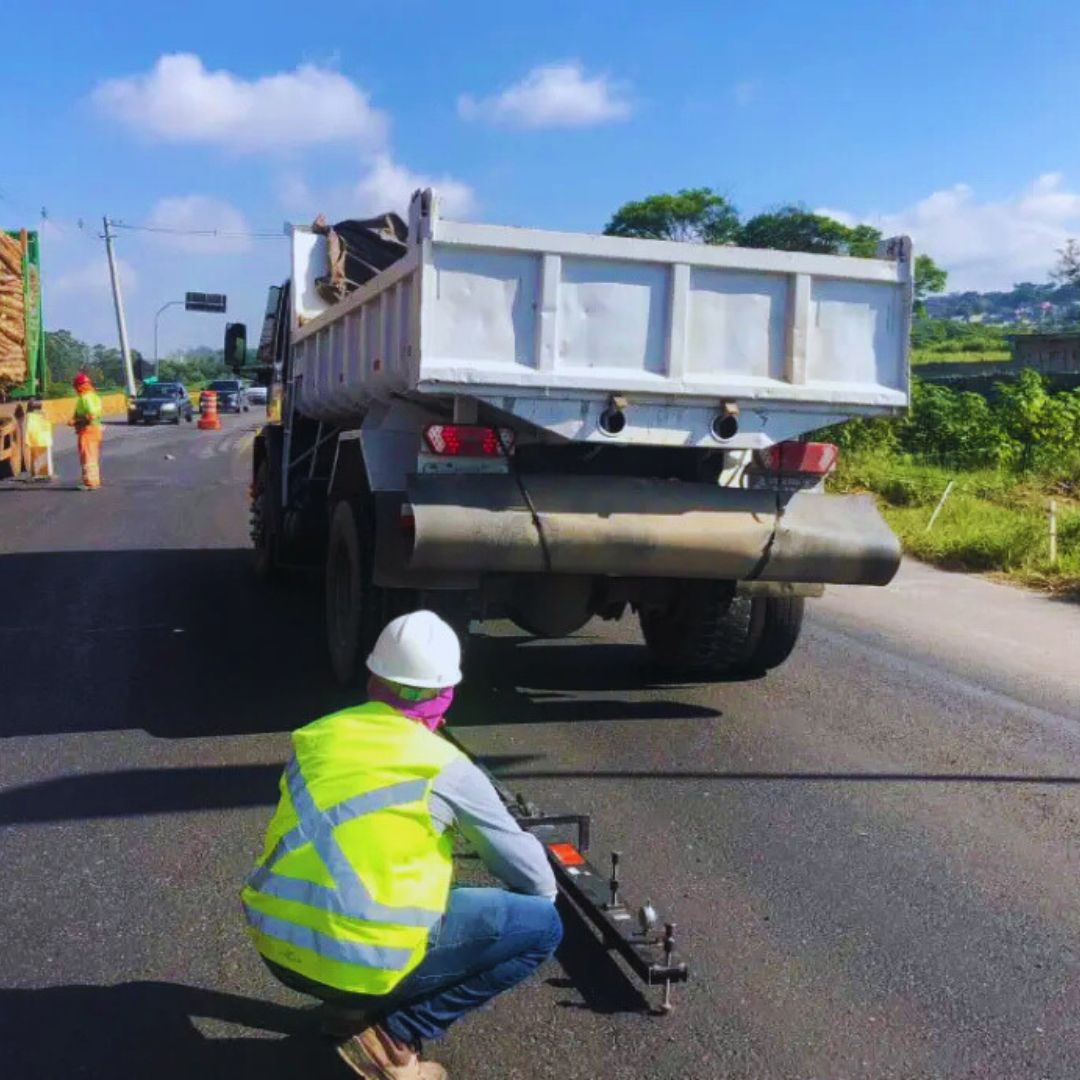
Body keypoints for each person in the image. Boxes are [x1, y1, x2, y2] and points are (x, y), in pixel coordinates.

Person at [241, 610, 561, 1080]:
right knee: (543, 927)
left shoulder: (315, 737)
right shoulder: (443, 764)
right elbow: (535, 881)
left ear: (374, 679)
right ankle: (395, 1037)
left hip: (276, 947)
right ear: (445, 694)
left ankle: (347, 1011)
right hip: (361, 959)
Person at [69, 373, 103, 489]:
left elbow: (91, 415)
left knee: (87, 456)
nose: (76, 389)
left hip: (87, 430)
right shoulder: (95, 396)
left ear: (81, 386)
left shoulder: (85, 398)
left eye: (77, 386)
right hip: (95, 429)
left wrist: (75, 421)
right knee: (93, 456)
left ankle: (90, 483)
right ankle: (94, 481)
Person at [23, 400, 53, 481]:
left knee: (35, 458)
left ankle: (36, 474)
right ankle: (46, 474)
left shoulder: (30, 416)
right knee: (45, 457)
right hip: (44, 439)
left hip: (35, 440)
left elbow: (29, 429)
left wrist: (27, 440)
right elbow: (49, 426)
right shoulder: (45, 414)